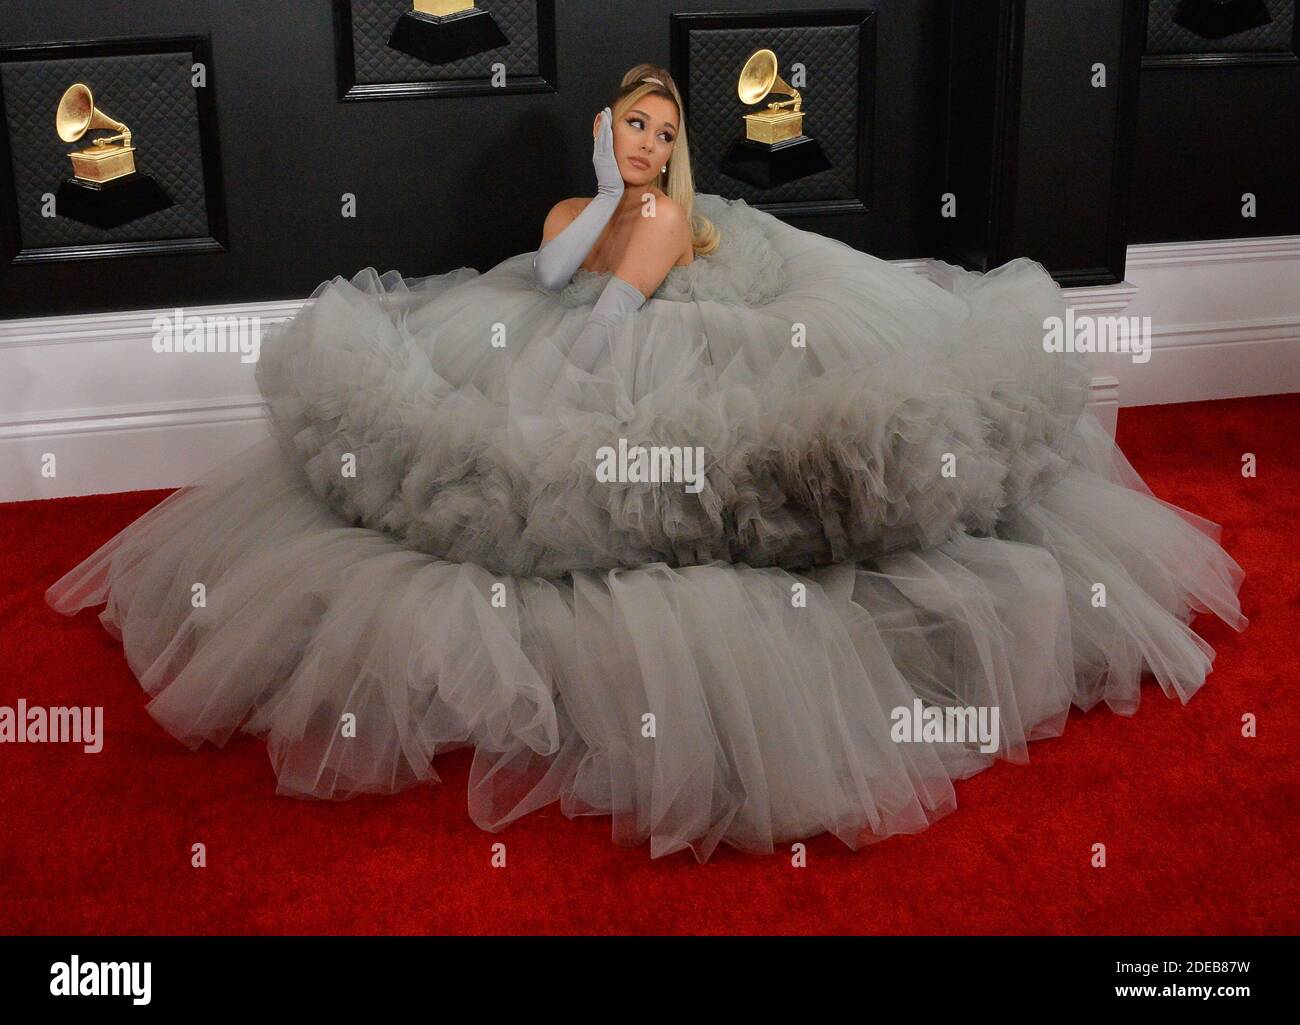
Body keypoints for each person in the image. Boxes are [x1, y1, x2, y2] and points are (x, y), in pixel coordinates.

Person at [46, 64, 1247, 863]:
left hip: (647, 346)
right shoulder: (586, 200)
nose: (650, 143)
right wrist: (584, 210)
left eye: (666, 133)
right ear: (606, 129)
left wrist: (596, 284)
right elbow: (559, 278)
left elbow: (607, 316)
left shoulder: (667, 217)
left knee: (651, 473)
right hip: (582, 308)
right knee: (482, 385)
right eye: (636, 125)